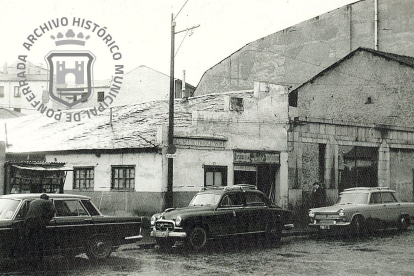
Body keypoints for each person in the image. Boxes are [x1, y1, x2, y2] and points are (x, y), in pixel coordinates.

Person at [24, 194, 56, 265]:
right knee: (40, 240)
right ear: (47, 199)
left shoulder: (32, 202)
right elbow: (53, 211)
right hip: (38, 223)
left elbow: (28, 211)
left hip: (28, 222)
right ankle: (39, 259)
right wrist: (46, 219)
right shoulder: (48, 202)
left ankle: (30, 258)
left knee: (30, 240)